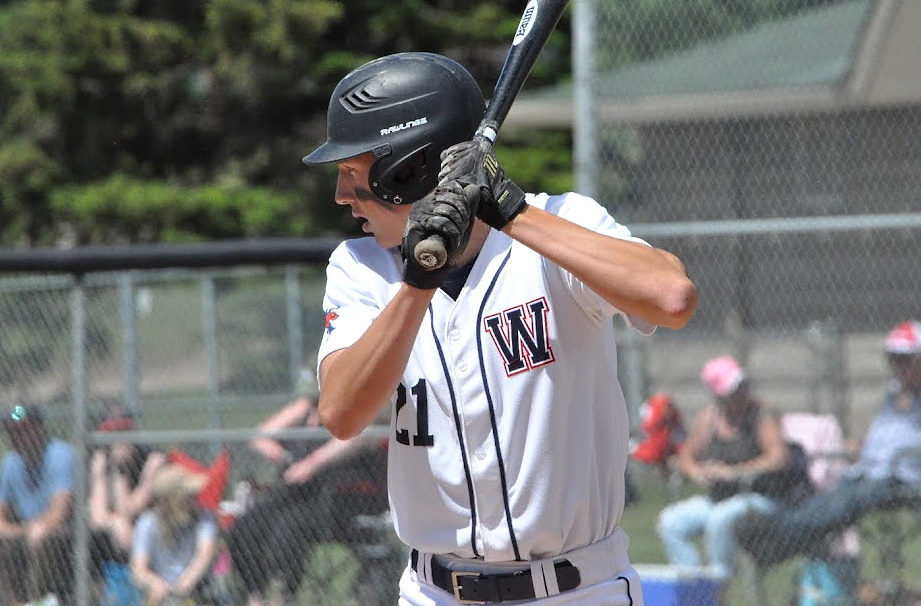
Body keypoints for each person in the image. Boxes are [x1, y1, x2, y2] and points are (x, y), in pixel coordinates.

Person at [302, 52, 697, 605]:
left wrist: (511, 211)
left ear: (408, 169)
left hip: (578, 591)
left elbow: (672, 298)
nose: (342, 196)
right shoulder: (360, 267)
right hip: (434, 592)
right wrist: (419, 280)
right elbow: (341, 413)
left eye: (352, 173)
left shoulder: (562, 223)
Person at [737, 321, 921, 568]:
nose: (896, 367)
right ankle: (779, 537)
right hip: (870, 469)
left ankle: (775, 541)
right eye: (892, 359)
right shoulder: (896, 391)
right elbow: (890, 432)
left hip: (902, 476)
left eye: (904, 360)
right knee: (830, 498)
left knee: (845, 503)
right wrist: (865, 446)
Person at [226, 366, 389, 606]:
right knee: (246, 525)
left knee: (290, 525)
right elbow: (260, 436)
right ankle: (255, 595)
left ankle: (283, 596)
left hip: (338, 500)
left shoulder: (353, 412)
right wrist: (282, 455)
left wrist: (312, 463)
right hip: (295, 493)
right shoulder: (306, 409)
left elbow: (360, 437)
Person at [656, 356, 791, 582]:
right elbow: (686, 457)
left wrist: (733, 472)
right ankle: (693, 586)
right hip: (720, 498)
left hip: (760, 498)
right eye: (734, 390)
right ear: (718, 394)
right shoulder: (709, 418)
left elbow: (778, 458)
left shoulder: (761, 415)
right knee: (670, 521)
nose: (742, 393)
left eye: (743, 386)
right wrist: (699, 473)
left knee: (720, 519)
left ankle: (719, 584)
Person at [0, 405, 77, 606]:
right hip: (28, 529)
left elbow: (59, 514)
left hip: (65, 530)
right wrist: (16, 530)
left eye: (25, 430)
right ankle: (14, 603)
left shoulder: (60, 454)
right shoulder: (10, 463)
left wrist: (25, 530)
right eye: (13, 432)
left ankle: (36, 600)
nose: (18, 437)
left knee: (42, 535)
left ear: (40, 429)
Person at [89, 407, 167, 576]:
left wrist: (121, 472)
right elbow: (97, 518)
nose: (119, 440)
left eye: (124, 431)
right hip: (119, 531)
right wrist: (116, 522)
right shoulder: (101, 459)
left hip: (151, 527)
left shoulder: (152, 459)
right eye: (113, 433)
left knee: (141, 526)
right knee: (95, 537)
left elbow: (131, 509)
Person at [131, 464, 219, 606]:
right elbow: (138, 570)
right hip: (159, 594)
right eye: (189, 497)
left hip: (194, 592)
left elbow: (205, 555)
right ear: (172, 501)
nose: (195, 500)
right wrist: (156, 584)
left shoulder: (205, 518)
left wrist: (182, 588)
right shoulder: (148, 522)